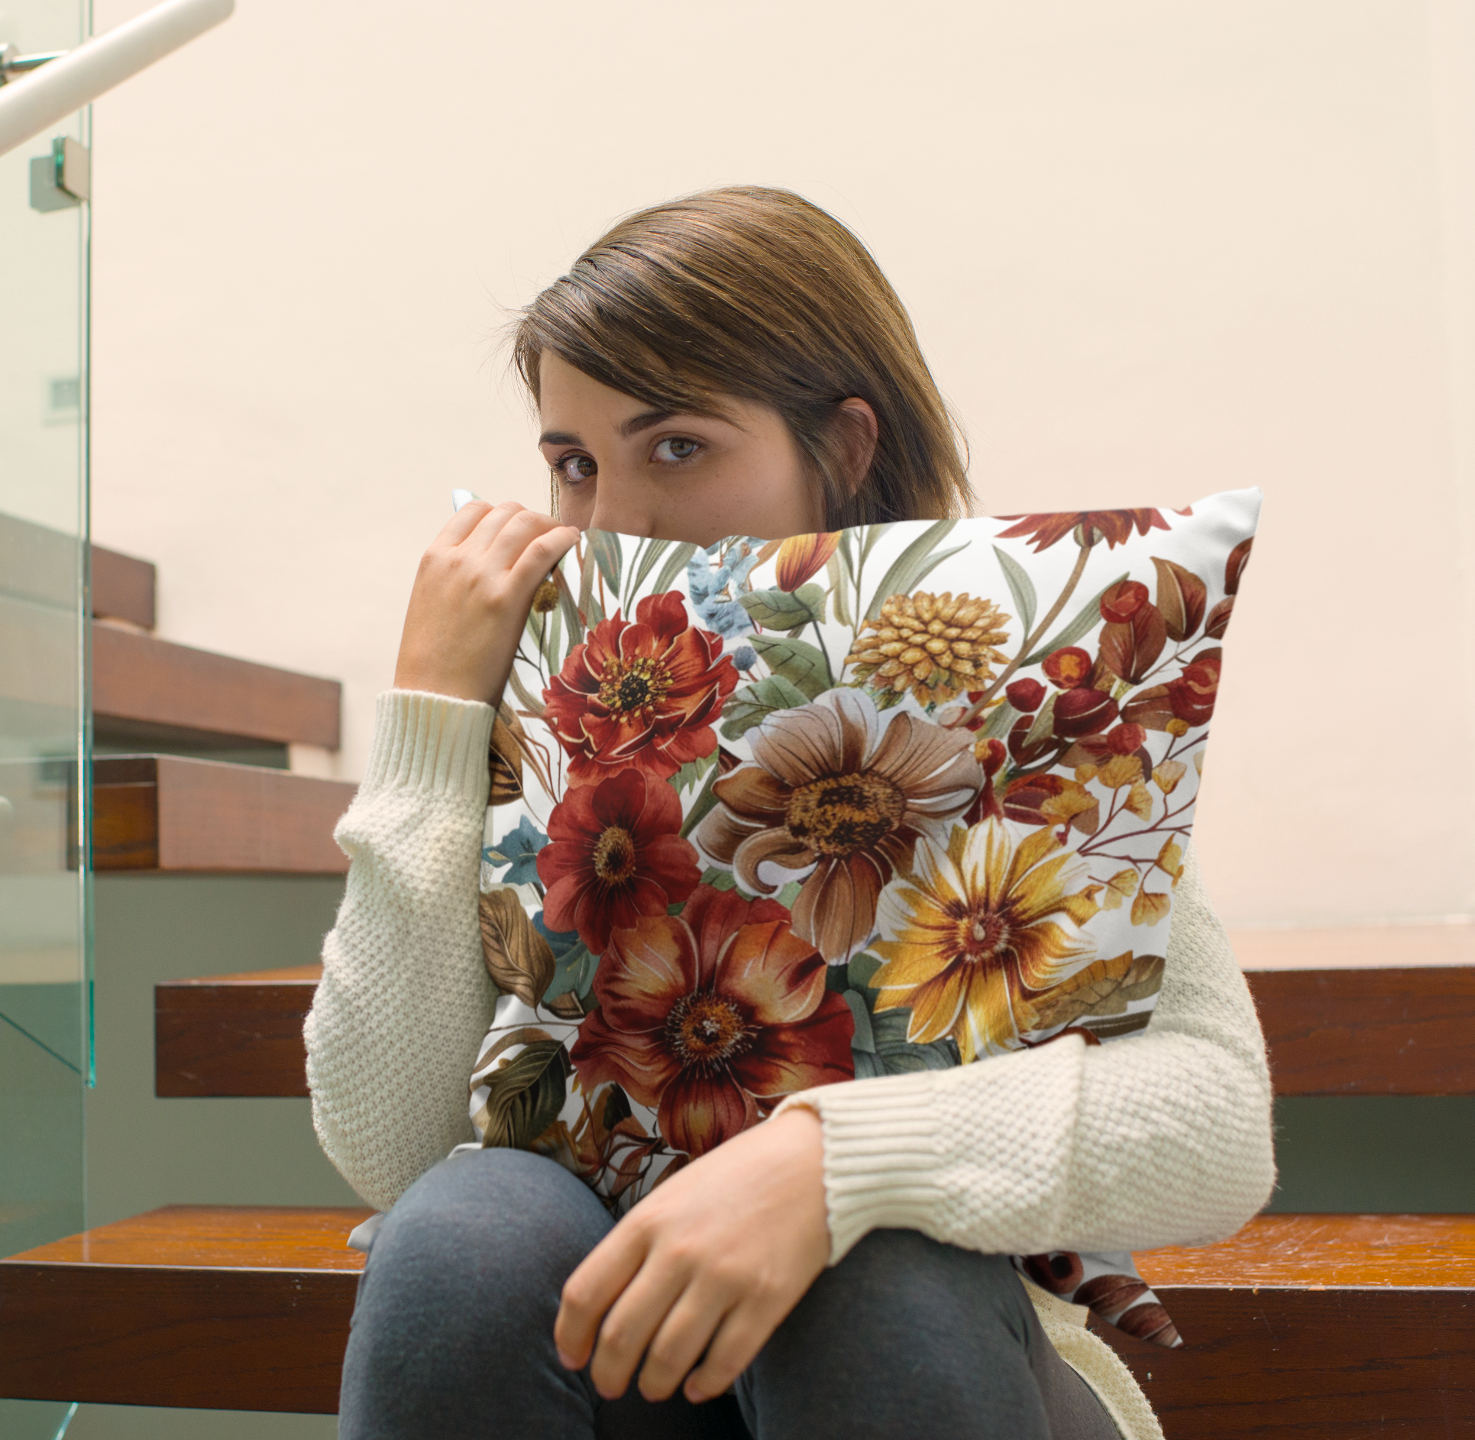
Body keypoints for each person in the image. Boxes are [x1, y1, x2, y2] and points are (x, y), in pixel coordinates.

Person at [303, 186, 1274, 1440]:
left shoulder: (1003, 695)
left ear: (846, 448)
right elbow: (386, 1142)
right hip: (609, 1349)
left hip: (936, 1354)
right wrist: (435, 710)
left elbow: (1214, 1128)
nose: (615, 520)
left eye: (677, 447)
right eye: (573, 463)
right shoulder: (548, 705)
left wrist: (828, 1162)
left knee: (872, 1270)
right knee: (456, 1234)